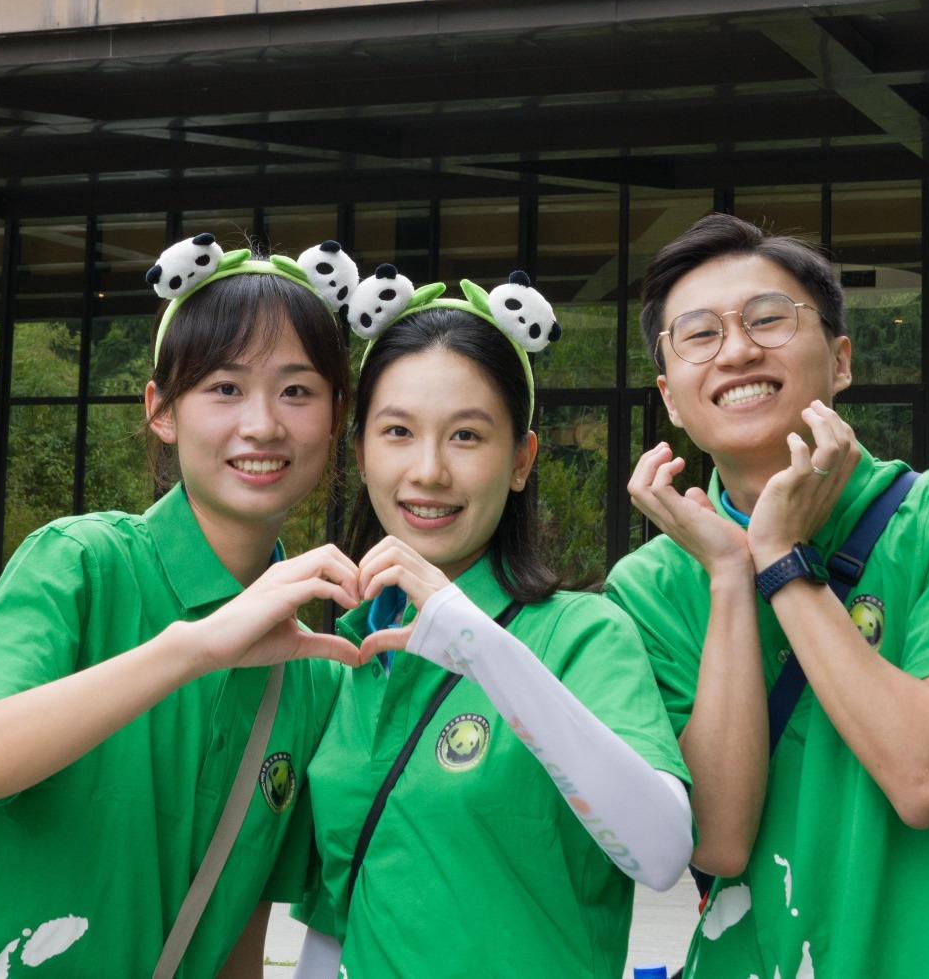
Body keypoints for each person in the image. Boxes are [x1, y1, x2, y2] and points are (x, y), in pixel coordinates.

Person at [0, 236, 360, 979]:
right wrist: (197, 646)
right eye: (224, 388)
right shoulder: (80, 563)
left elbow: (233, 940)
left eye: (297, 390)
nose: (262, 424)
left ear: (335, 418)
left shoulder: (312, 674)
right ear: (161, 410)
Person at [605, 214, 929, 979]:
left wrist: (783, 560)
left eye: (767, 318)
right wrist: (731, 575)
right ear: (670, 395)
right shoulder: (651, 587)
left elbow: (927, 779)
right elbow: (720, 838)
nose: (736, 349)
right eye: (697, 334)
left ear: (841, 359)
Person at [290, 274, 691, 979]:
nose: (429, 470)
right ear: (360, 453)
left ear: (522, 460)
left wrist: (472, 639)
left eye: (467, 435)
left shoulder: (582, 633)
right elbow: (336, 916)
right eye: (397, 431)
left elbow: (660, 850)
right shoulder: (348, 657)